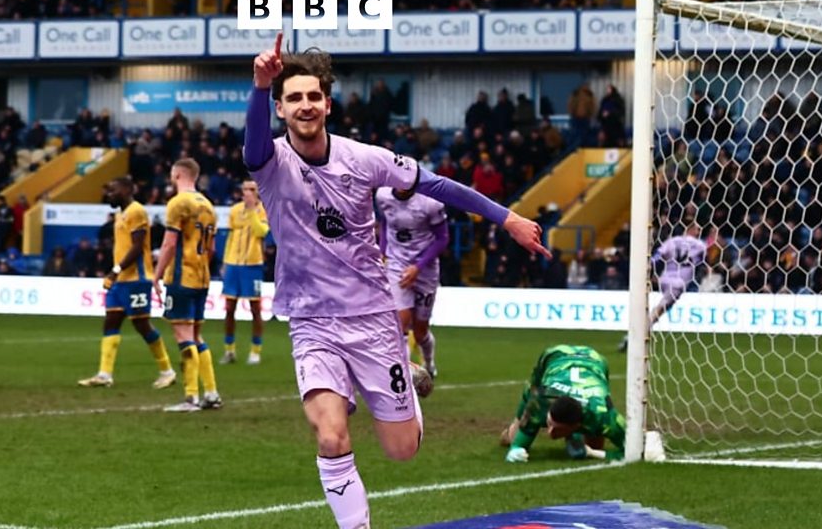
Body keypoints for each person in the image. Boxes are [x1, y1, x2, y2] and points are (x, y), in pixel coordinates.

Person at [247, 33, 550, 529]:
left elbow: (437, 184)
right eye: (293, 97)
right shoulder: (271, 162)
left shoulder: (364, 158)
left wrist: (508, 218)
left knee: (401, 449)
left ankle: (405, 378)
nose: (305, 105)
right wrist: (260, 86)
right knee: (330, 436)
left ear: (328, 104)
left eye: (313, 96)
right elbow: (253, 144)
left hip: (372, 319)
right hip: (311, 321)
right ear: (280, 108)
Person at [78, 177, 177, 390]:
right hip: (121, 280)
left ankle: (167, 371)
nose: (109, 195)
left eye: (113, 190)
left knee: (142, 325)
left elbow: (137, 247)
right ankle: (104, 374)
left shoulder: (136, 211)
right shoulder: (120, 214)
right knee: (111, 322)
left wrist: (115, 271)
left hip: (136, 279)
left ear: (127, 190)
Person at [154, 158, 222, 412]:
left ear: (177, 174)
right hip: (202, 277)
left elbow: (170, 243)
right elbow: (212, 249)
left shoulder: (178, 203)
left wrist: (156, 275)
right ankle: (211, 393)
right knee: (196, 335)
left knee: (183, 335)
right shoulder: (209, 205)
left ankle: (191, 397)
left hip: (181, 277)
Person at [500, 345, 625, 463]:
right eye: (549, 423)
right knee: (511, 438)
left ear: (576, 425)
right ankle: (509, 432)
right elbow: (517, 445)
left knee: (595, 444)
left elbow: (632, 452)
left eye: (558, 429)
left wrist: (593, 453)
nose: (549, 432)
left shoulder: (604, 415)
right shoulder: (541, 401)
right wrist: (515, 449)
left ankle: (575, 436)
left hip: (595, 360)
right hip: (557, 355)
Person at [375, 188, 447, 377]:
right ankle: (404, 378)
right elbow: (385, 223)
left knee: (421, 332)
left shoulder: (430, 203)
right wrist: (382, 252)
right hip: (397, 265)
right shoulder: (382, 196)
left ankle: (429, 363)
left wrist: (418, 267)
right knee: (401, 326)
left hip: (426, 270)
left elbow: (442, 239)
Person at [619, 223, 707, 352]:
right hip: (679, 283)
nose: (699, 232)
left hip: (665, 278)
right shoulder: (700, 245)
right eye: (697, 229)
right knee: (659, 310)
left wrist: (648, 270)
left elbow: (657, 257)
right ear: (690, 229)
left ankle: (642, 333)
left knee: (661, 309)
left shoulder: (671, 241)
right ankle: (633, 337)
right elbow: (702, 261)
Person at [221, 180, 269, 365]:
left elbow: (261, 232)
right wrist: (225, 262)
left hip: (252, 265)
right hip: (233, 264)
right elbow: (230, 237)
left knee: (255, 309)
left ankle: (255, 350)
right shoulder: (234, 210)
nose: (248, 192)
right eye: (245, 189)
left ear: (257, 192)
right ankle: (229, 350)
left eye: (252, 189)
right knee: (229, 309)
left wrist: (251, 211)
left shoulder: (263, 210)